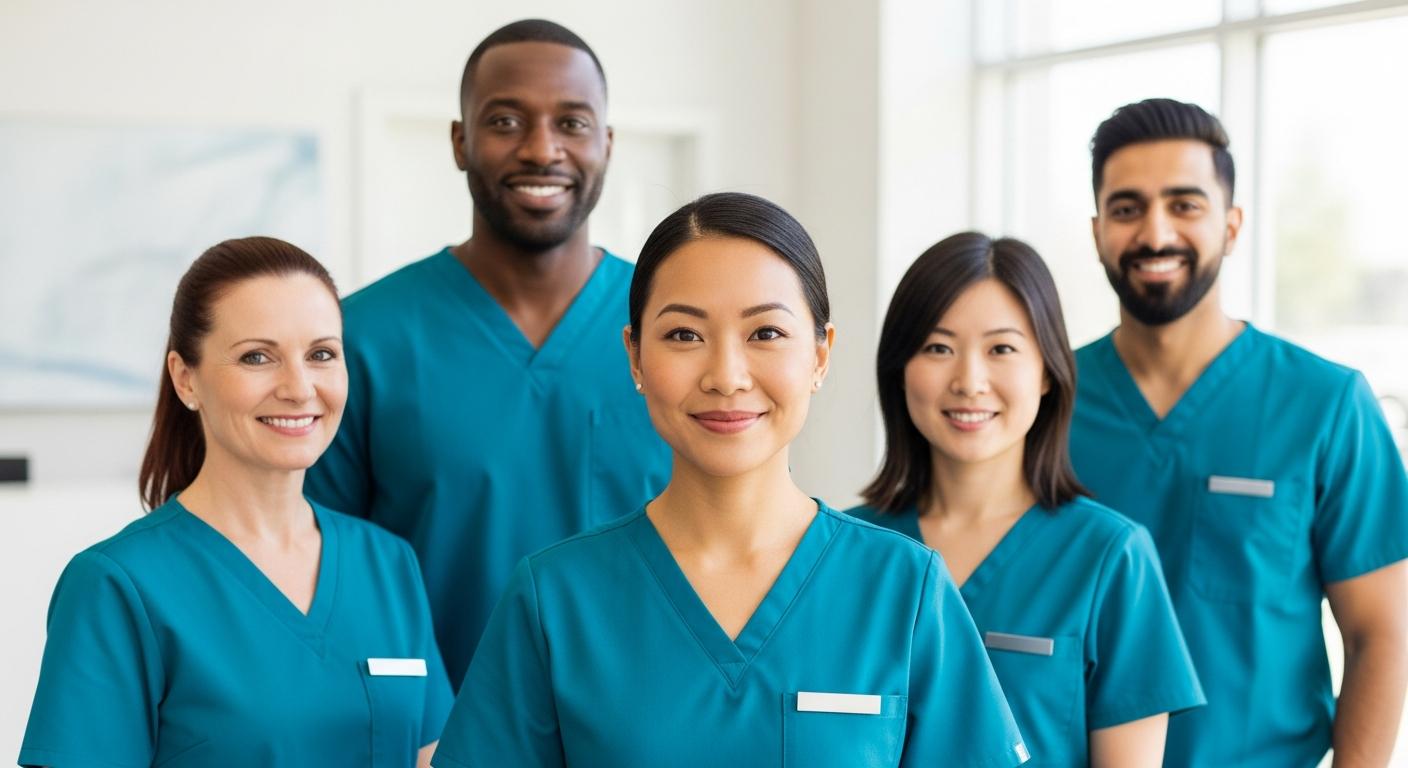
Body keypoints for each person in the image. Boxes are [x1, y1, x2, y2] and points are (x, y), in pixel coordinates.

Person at [430, 193, 1029, 768]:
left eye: (765, 333)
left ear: (820, 355)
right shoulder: (553, 599)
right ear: (635, 357)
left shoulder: (906, 590)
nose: (726, 375)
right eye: (684, 335)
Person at [305, 19, 670, 689]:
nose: (542, 150)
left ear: (607, 145)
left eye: (572, 123)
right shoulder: (362, 340)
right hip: (428, 739)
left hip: (648, 727)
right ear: (459, 141)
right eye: (505, 121)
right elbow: (319, 575)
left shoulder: (678, 332)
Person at [19, 237, 452, 768]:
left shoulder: (388, 564)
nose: (299, 388)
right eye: (257, 357)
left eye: (321, 354)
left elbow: (430, 756)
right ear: (186, 379)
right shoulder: (116, 586)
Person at [1070, 98, 1408, 766]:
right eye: (1127, 207)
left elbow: (1382, 631)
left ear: (1231, 225)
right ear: (1098, 230)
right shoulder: (1046, 405)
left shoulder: (1327, 404)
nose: (1154, 232)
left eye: (1185, 204)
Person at [849, 232, 1204, 766]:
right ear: (900, 369)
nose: (969, 381)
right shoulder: (845, 553)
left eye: (1002, 349)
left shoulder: (1110, 558)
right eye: (938, 348)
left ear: (1046, 372)